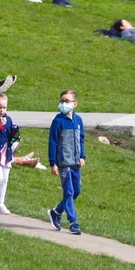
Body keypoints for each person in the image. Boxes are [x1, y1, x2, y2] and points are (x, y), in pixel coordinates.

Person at [47, 90, 85, 235]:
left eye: (67, 101)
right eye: (62, 101)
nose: (64, 104)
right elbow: (53, 142)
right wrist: (53, 163)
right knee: (68, 191)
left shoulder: (78, 120)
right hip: (63, 163)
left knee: (76, 191)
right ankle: (73, 222)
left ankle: (56, 212)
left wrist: (82, 156)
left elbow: (81, 140)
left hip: (76, 163)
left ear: (75, 104)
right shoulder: (58, 121)